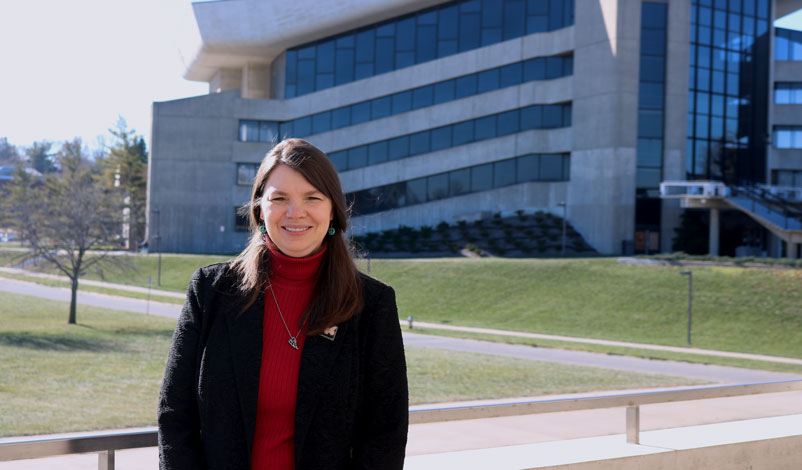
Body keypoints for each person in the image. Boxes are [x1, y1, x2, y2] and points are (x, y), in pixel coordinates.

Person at [158, 138, 408, 470]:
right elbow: (175, 414)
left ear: (332, 209)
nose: (295, 212)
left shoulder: (372, 305)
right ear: (260, 209)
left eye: (312, 198)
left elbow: (385, 434)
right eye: (280, 198)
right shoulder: (211, 291)